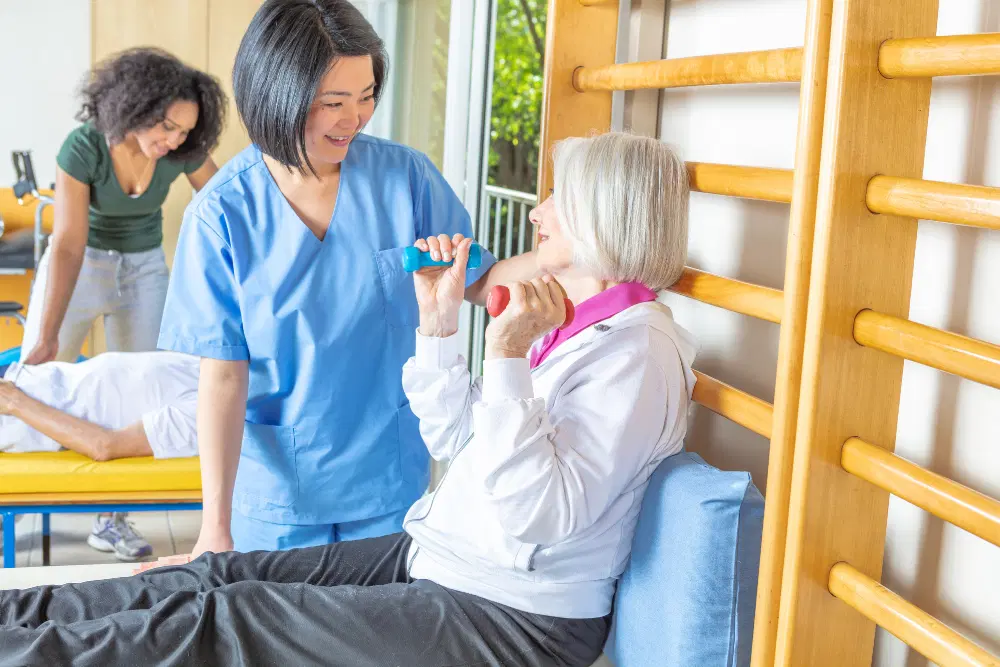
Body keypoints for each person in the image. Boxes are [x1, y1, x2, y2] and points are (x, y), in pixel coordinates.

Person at [0, 131, 696, 667]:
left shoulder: (637, 354)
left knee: (223, 622)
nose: (538, 213)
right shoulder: (581, 328)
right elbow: (455, 440)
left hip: (512, 614)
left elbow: (541, 513)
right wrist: (439, 326)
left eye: (559, 203)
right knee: (214, 575)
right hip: (444, 557)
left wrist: (508, 355)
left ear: (607, 219)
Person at [156, 0, 538, 556]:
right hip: (279, 494)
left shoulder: (404, 178)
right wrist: (215, 525)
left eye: (365, 97)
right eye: (332, 103)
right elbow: (222, 379)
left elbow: (479, 279)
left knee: (375, 635)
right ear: (276, 98)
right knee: (279, 637)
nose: (354, 119)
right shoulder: (221, 215)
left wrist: (569, 253)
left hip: (385, 478)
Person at [19, 47, 226, 366]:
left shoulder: (180, 152)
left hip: (144, 270)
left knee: (141, 383)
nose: (174, 141)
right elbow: (69, 244)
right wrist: (47, 335)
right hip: (82, 262)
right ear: (138, 109)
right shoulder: (84, 147)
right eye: (168, 127)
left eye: (185, 132)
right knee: (42, 373)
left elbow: (224, 204)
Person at [0, 351, 199, 561]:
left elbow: (104, 445)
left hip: (13, 413)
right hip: (24, 378)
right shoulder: (214, 365)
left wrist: (16, 402)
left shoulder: (207, 414)